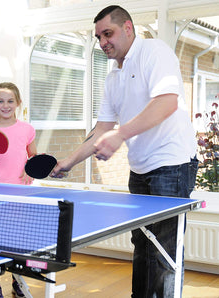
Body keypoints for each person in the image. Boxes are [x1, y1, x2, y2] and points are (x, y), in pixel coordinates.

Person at [51, 5, 198, 298]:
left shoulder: (154, 52)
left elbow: (167, 102)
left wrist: (121, 134)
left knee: (164, 250)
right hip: (140, 167)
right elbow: (103, 127)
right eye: (98, 36)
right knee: (142, 244)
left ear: (128, 28)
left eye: (109, 33)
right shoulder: (112, 77)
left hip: (172, 163)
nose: (103, 41)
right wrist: (68, 161)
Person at [0, 82, 37, 298]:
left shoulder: (27, 130)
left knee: (16, 240)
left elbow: (34, 159)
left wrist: (31, 171)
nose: (5, 105)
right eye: (1, 101)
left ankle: (16, 280)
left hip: (19, 193)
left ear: (18, 103)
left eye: (10, 101)